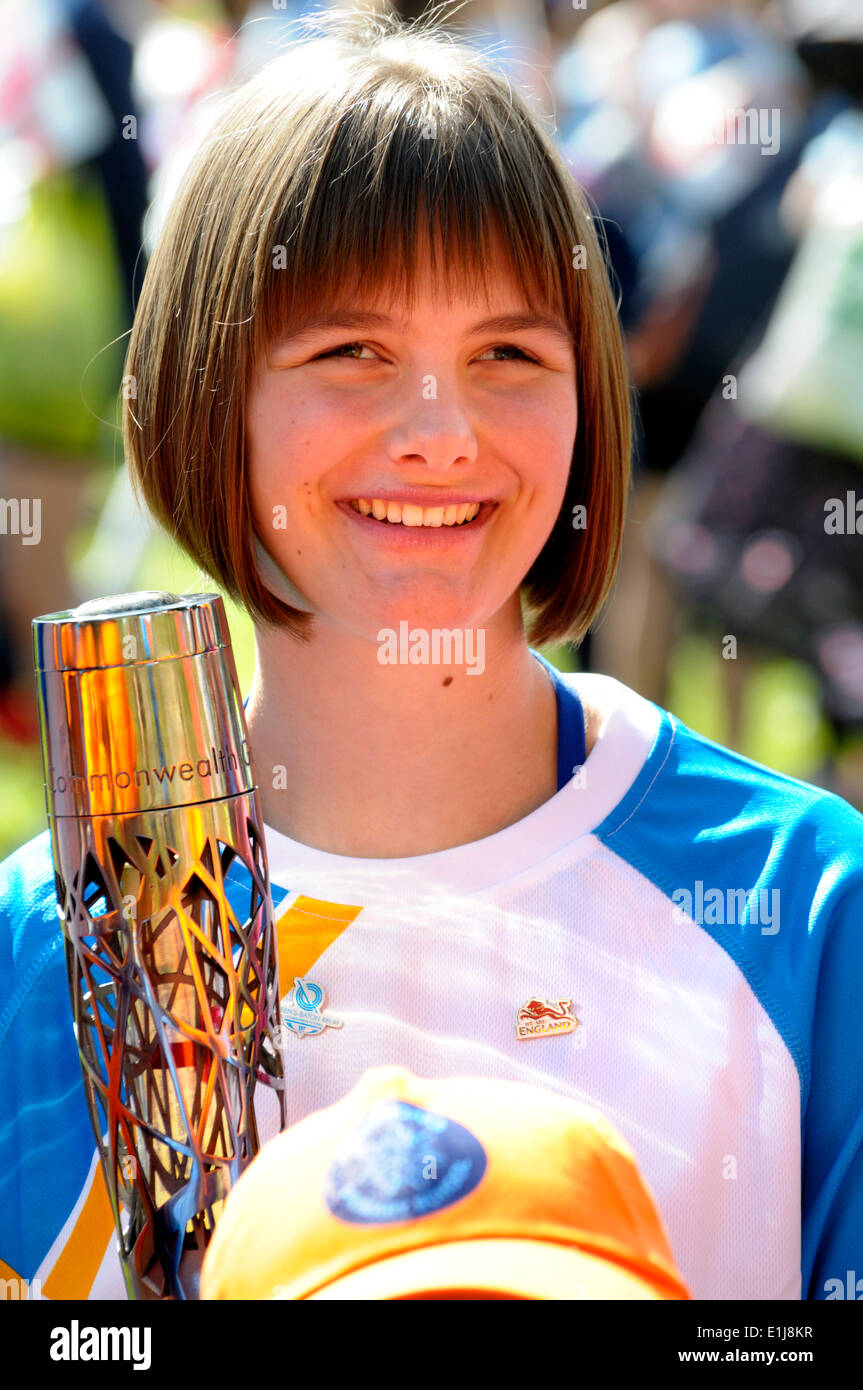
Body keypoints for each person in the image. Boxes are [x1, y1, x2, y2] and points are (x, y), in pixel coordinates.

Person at [0, 5, 861, 1302]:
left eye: (509, 353)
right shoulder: (35, 956)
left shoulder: (806, 907)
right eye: (354, 351)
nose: (441, 432)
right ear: (199, 392)